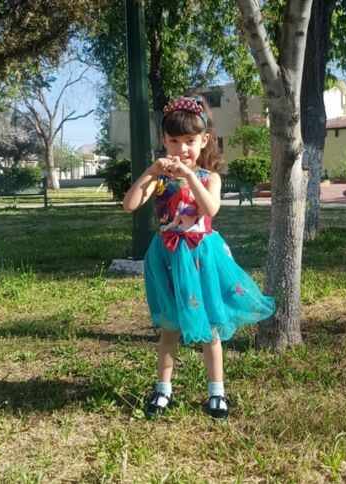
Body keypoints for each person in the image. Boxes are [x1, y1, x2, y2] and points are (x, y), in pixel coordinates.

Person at [123, 95, 276, 421]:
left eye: (189, 141)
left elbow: (210, 208)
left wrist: (190, 176)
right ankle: (163, 390)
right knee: (169, 328)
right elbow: (130, 204)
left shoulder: (209, 178)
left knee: (210, 329)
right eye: (173, 141)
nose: (181, 149)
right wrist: (150, 171)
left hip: (200, 259)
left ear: (204, 141)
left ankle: (216, 391)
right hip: (167, 258)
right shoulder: (159, 179)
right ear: (163, 140)